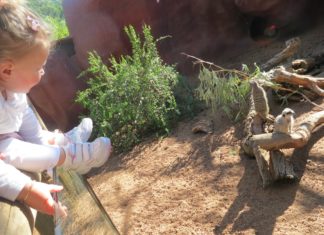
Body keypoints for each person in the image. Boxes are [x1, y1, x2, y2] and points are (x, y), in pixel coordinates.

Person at [0, 0, 111, 217]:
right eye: (38, 68)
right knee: (12, 148)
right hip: (4, 147)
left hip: (9, 135)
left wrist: (44, 144)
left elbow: (26, 120)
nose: (42, 73)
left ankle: (64, 141)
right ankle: (71, 155)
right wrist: (27, 189)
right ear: (6, 70)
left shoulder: (13, 90)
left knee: (38, 136)